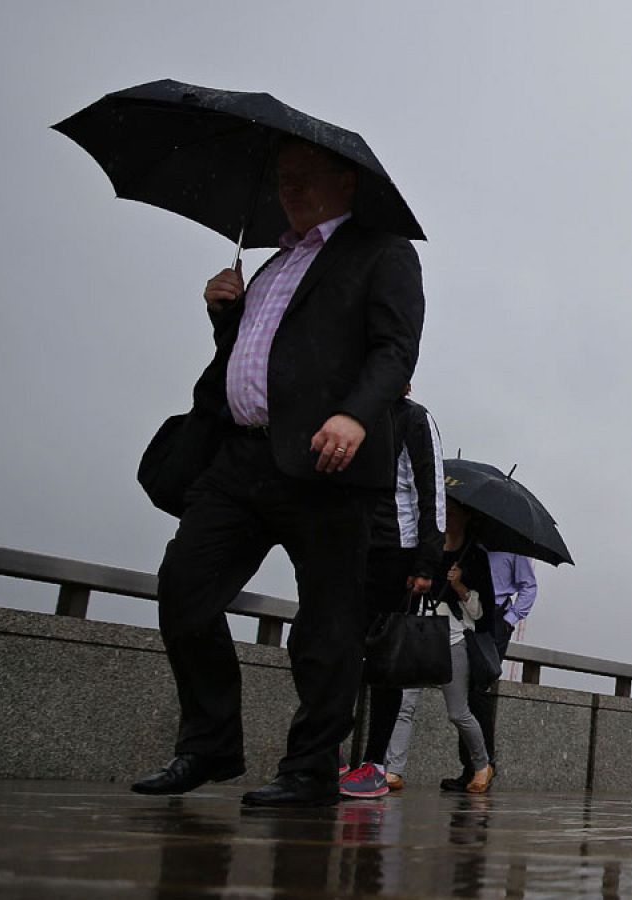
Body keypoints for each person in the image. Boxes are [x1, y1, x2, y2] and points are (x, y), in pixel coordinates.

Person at [132, 139, 426, 806]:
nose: (288, 189)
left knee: (327, 625)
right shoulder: (272, 264)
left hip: (329, 463)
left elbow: (395, 348)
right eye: (282, 179)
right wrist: (226, 315)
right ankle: (209, 746)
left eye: (304, 177)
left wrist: (354, 415)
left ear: (345, 183)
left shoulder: (382, 252)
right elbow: (263, 356)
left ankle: (310, 768)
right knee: (184, 590)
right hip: (240, 459)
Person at [339, 391, 443, 799]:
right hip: (347, 545)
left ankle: (376, 763)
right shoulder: (347, 412)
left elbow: (431, 493)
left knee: (386, 661)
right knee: (330, 647)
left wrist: (426, 563)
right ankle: (329, 747)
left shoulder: (413, 418)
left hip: (395, 551)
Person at [377, 499, 495, 792]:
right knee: (405, 705)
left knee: (458, 712)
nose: (448, 519)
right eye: (446, 513)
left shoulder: (474, 557)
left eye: (453, 514)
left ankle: (482, 765)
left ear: (466, 518)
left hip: (452, 638)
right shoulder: (426, 548)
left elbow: (481, 614)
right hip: (418, 633)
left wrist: (459, 586)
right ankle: (394, 770)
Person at [438, 549, 537, 792]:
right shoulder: (470, 546)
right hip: (466, 612)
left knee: (479, 691)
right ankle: (470, 768)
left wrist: (509, 620)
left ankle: (484, 765)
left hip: (495, 618)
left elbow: (529, 586)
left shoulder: (512, 549)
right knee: (464, 692)